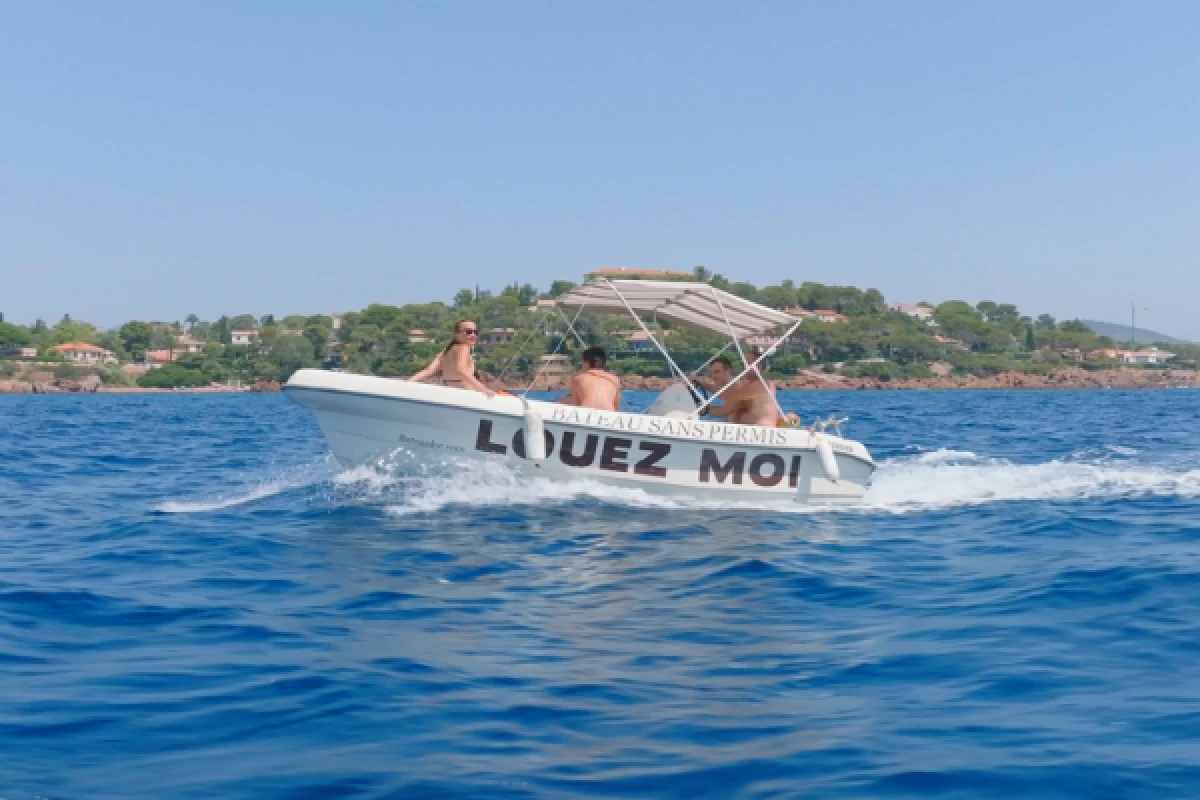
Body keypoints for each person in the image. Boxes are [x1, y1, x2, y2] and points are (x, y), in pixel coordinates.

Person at [409, 319, 494, 397]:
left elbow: (428, 371)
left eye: (475, 332)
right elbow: (461, 370)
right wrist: (484, 389)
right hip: (464, 394)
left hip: (448, 392)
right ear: (457, 334)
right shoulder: (464, 347)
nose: (473, 335)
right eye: (468, 332)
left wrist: (408, 383)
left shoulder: (446, 351)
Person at [693, 353, 778, 426]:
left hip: (763, 429)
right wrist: (702, 409)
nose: (742, 366)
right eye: (742, 363)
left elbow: (730, 395)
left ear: (758, 366)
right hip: (752, 431)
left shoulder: (763, 384)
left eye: (746, 363)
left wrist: (701, 384)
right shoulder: (747, 386)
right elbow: (725, 410)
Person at [558, 346, 621, 411]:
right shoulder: (615, 379)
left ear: (586, 363)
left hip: (587, 412)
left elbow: (576, 404)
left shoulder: (578, 378)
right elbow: (616, 408)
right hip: (609, 414)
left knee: (564, 400)